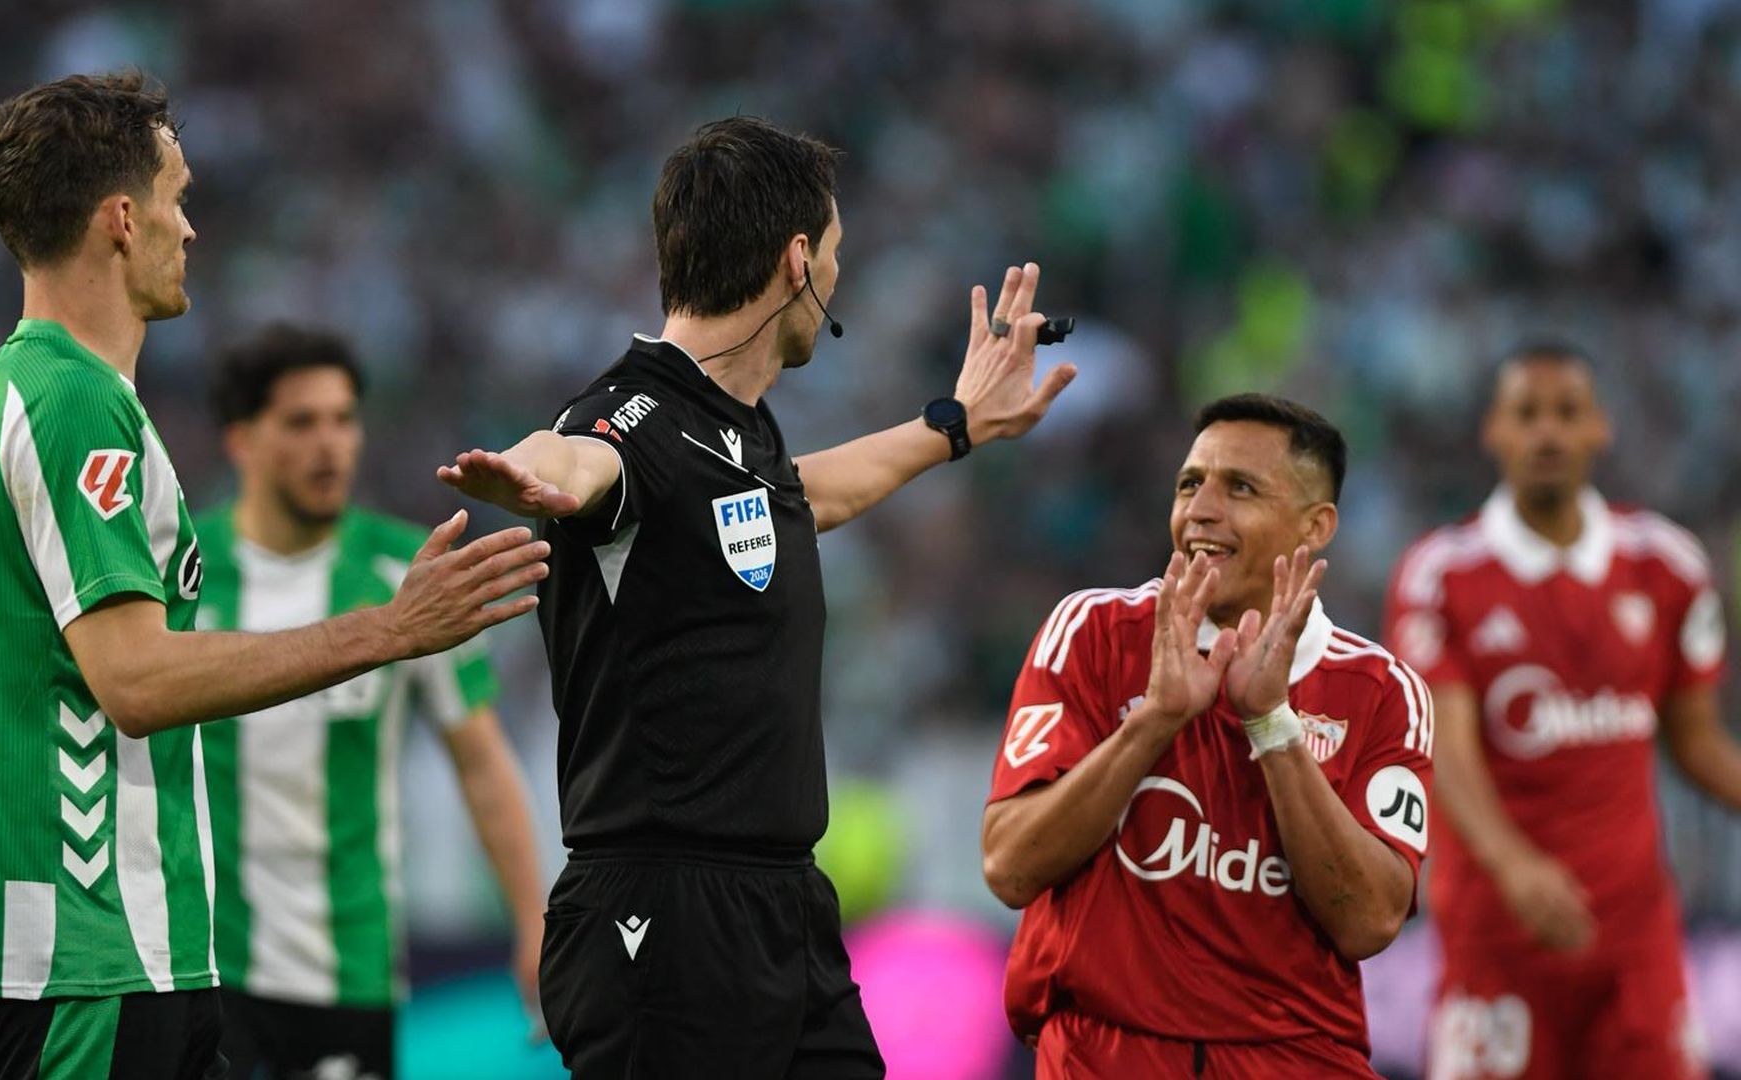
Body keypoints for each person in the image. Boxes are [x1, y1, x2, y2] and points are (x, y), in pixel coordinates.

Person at [0, 73, 548, 1080]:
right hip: (101, 963)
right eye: (177, 195)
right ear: (121, 219)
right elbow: (138, 682)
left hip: (64, 967)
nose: (190, 227)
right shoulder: (80, 408)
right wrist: (386, 630)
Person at [437, 116, 1077, 1078]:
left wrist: (955, 423)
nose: (838, 278)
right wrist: (528, 476)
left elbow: (806, 499)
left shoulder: (737, 435)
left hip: (784, 909)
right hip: (660, 907)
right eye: (837, 252)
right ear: (796, 261)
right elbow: (578, 454)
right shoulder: (633, 414)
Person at [980, 393, 1436, 1078]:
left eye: (1240, 488)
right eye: (1190, 483)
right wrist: (1155, 721)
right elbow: (1010, 866)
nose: (1200, 510)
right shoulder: (1093, 634)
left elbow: (1370, 922)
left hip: (1294, 1058)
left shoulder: (1382, 691)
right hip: (1103, 1051)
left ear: (1315, 527)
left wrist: (1272, 724)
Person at [194, 324, 549, 1079]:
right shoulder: (179, 577)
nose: (331, 444)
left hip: (349, 970)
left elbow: (481, 760)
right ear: (242, 442)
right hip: (202, 974)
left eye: (344, 418)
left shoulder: (408, 572)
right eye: (301, 421)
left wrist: (533, 919)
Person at [1384, 342, 1739, 1080]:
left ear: (1600, 429)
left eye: (1566, 413)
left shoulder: (1666, 564)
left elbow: (1698, 745)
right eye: (1527, 414)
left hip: (1635, 942)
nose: (1547, 433)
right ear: (1494, 433)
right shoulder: (1442, 575)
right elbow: (1447, 754)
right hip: (1497, 935)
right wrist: (1516, 869)